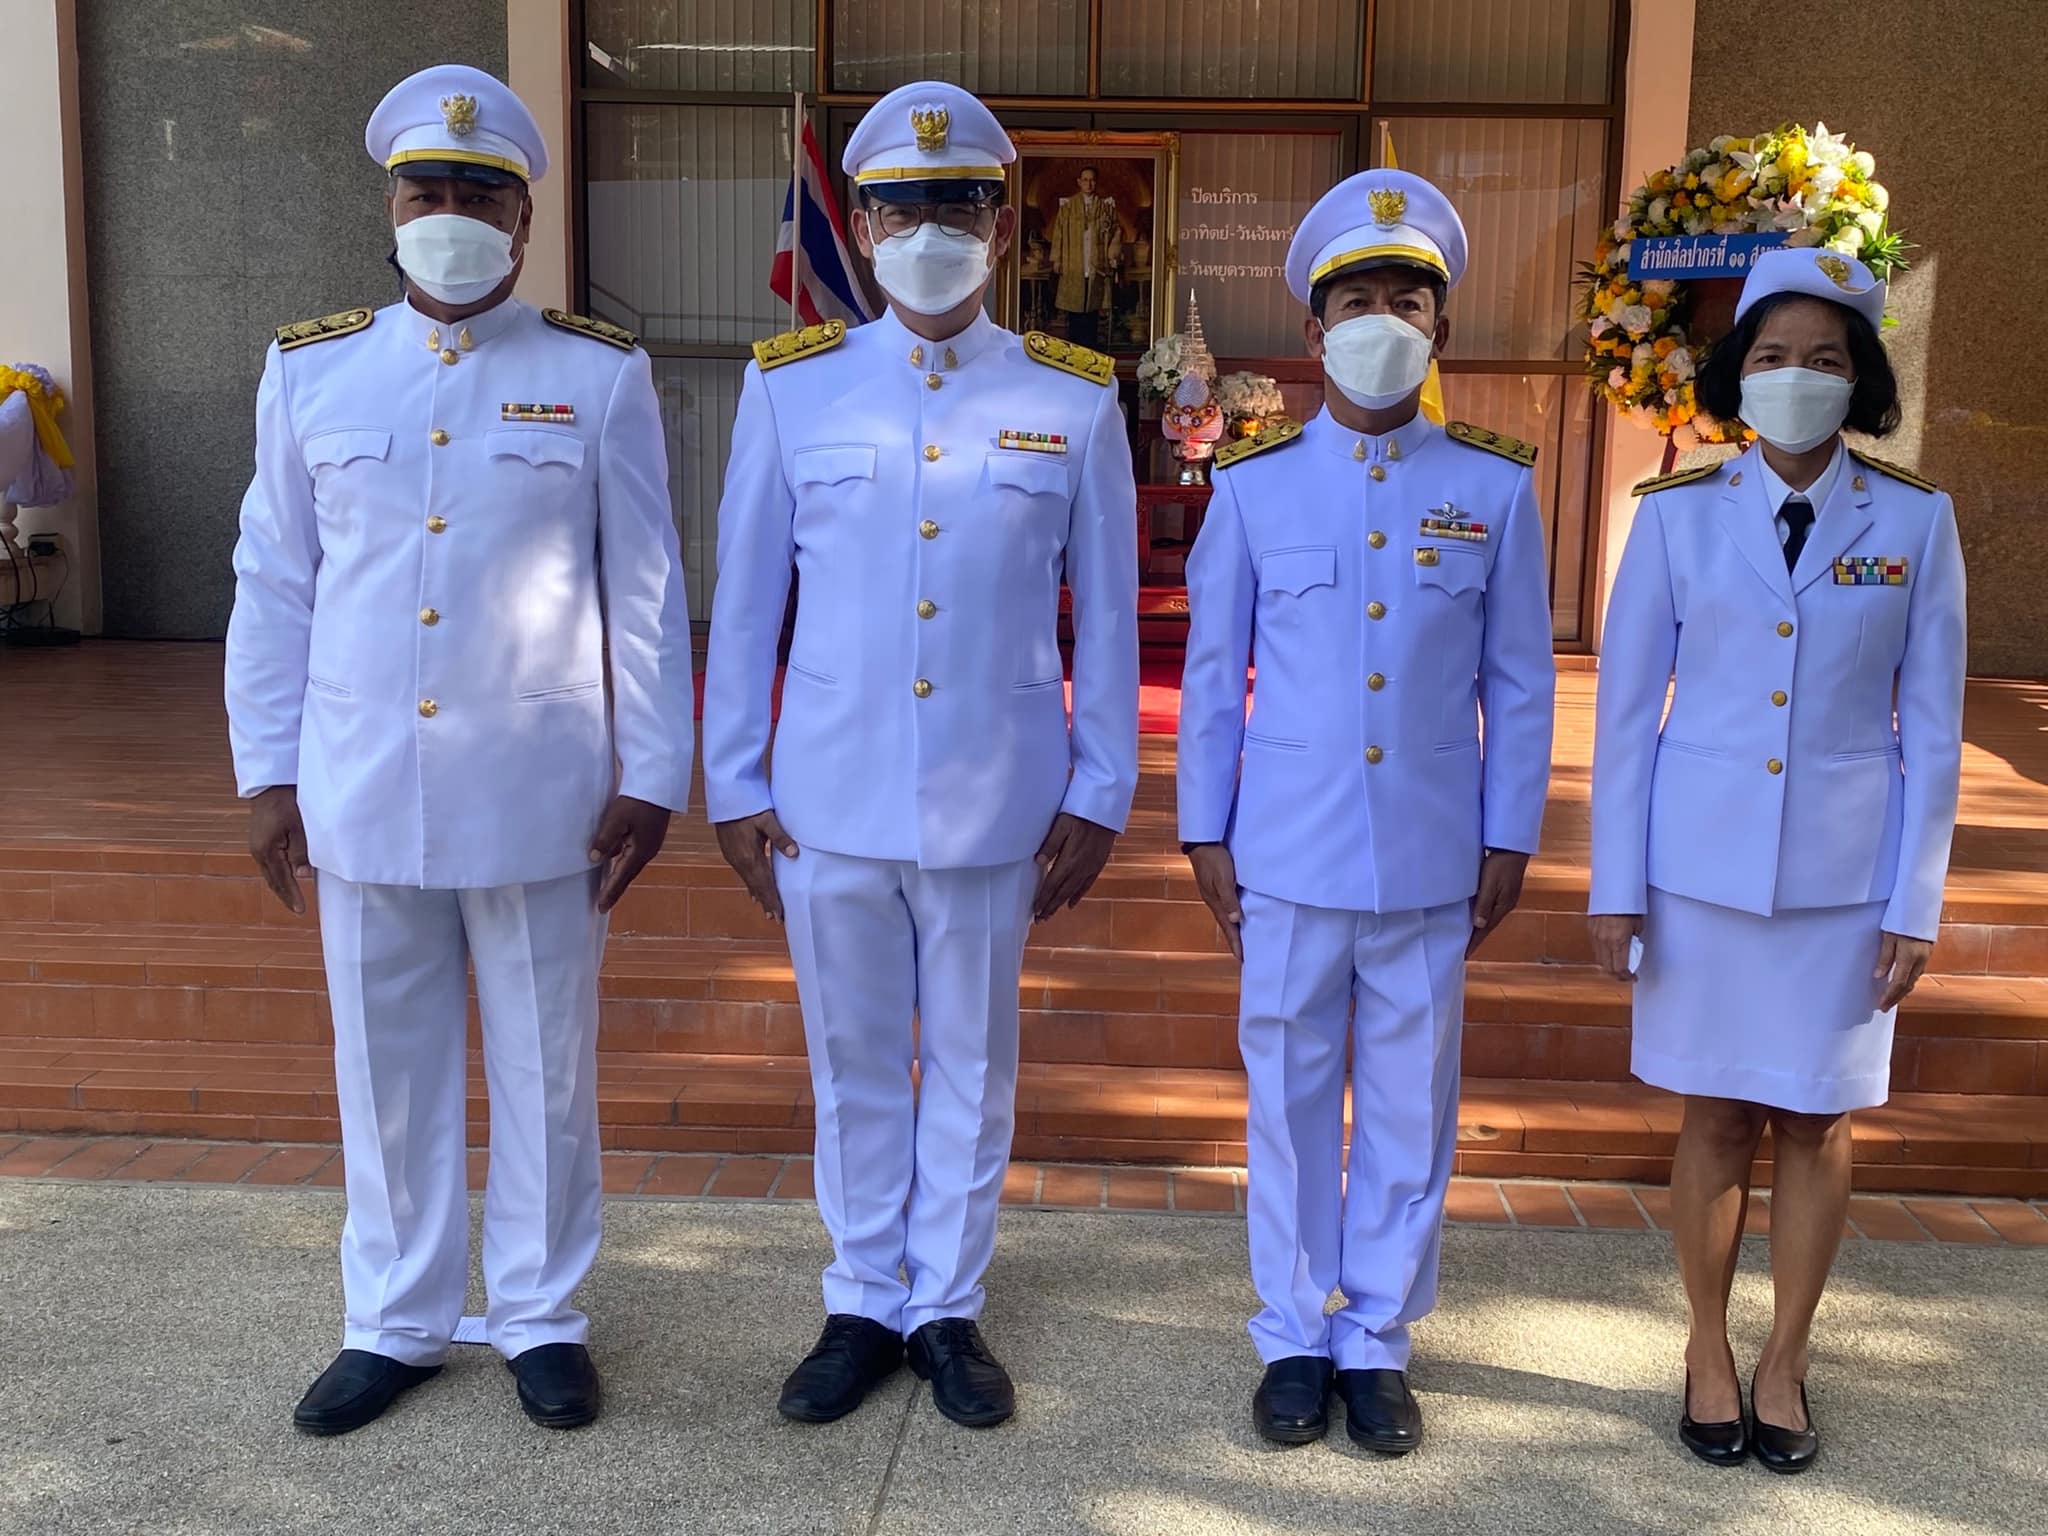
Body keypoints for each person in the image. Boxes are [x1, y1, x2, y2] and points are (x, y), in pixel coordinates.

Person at [224, 63, 693, 1435]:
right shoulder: (310, 368)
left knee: (546, 1069)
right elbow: (275, 581)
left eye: (481, 196)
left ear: (523, 221)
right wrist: (265, 771)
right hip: (362, 780)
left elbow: (643, 588)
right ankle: (396, 1319)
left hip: (544, 793)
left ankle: (541, 1314)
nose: (452, 216)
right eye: (427, 191)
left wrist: (652, 773)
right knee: (386, 1065)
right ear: (390, 208)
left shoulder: (596, 373)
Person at [703, 82, 1138, 1430]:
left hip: (998, 795)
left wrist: (1101, 787)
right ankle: (859, 1301)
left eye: (958, 205)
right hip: (826, 796)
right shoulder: (793, 387)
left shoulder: (1072, 397)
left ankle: (944, 1304)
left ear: (1002, 227)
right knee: (848, 1061)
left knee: (970, 1063)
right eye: (902, 207)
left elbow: (1107, 615)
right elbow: (746, 600)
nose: (930, 230)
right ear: (862, 223)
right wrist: (734, 780)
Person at [1177, 169, 1556, 1454]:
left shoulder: (1493, 487)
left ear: (1438, 328)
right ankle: (1291, 1332)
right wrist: (1202, 828)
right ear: (1314, 329)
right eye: (1357, 301)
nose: (1381, 320)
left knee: (1407, 1104)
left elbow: (1517, 677)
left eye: (1406, 299)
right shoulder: (1254, 483)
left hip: (1431, 851)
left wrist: (1509, 832)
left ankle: (1377, 1338)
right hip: (1285, 848)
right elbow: (1213, 675)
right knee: (1286, 1099)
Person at [1588, 246, 1966, 1473]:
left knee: (1815, 1121)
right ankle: (1705, 1346)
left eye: (1821, 358)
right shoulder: (1673, 515)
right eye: (1769, 355)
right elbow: (1625, 717)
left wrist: (1914, 901)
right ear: (1734, 375)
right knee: (1712, 1117)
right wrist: (1613, 886)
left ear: (1857, 380)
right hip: (1697, 877)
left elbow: (1934, 729)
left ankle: (1785, 1358)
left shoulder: (1913, 520)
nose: (1794, 375)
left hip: (1842, 885)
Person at [1048, 166, 1121, 347]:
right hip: (1074, 263)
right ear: (1079, 182)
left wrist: (1112, 254)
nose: (1089, 184)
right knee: (1075, 311)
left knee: (1092, 311)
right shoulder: (1068, 207)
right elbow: (1058, 233)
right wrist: (1057, 258)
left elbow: (1116, 232)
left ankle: (1090, 350)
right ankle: (1074, 350)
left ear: (1096, 182)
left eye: (1092, 180)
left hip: (1096, 264)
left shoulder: (1105, 207)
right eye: (1085, 180)